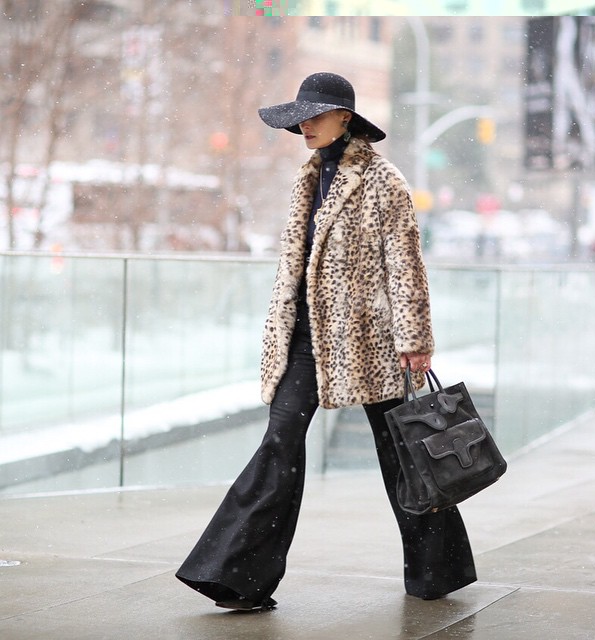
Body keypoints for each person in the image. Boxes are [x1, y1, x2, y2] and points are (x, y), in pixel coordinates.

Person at [176, 72, 476, 611]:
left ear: (347, 119)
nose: (306, 125)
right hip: (304, 341)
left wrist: (414, 338)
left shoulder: (384, 181)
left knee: (403, 453)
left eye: (316, 114)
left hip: (371, 342)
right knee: (278, 448)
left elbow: (406, 264)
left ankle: (439, 571)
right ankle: (235, 576)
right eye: (301, 117)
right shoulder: (306, 177)